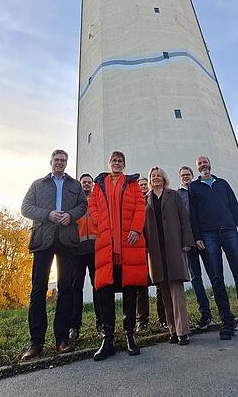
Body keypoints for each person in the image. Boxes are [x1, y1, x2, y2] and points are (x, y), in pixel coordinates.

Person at [188, 155, 238, 340]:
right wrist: (197, 237)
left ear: (210, 164)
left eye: (205, 162)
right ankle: (227, 322)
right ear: (197, 167)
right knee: (217, 278)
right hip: (208, 234)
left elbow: (234, 206)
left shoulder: (223, 183)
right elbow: (193, 215)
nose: (203, 165)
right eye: (200, 163)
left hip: (229, 231)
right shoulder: (194, 187)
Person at [19, 149, 89, 360]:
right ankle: (36, 342)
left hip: (68, 240)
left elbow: (83, 205)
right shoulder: (38, 185)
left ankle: (62, 339)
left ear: (67, 163)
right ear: (50, 162)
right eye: (56, 160)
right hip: (43, 239)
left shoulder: (75, 185)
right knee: (38, 290)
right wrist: (48, 214)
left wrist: (71, 215)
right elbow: (26, 208)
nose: (59, 163)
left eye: (63, 160)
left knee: (66, 289)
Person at [88, 151, 148, 360]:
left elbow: (140, 207)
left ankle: (130, 334)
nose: (116, 163)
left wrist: (136, 229)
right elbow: (92, 206)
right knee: (105, 291)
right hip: (107, 244)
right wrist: (99, 221)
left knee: (130, 290)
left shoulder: (132, 183)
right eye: (114, 160)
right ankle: (108, 339)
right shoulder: (99, 184)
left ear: (124, 164)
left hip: (128, 243)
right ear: (109, 163)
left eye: (120, 161)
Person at [143, 166, 195, 345]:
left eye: (158, 175)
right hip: (155, 250)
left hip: (173, 246)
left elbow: (184, 219)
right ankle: (172, 330)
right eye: (153, 176)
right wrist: (145, 247)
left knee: (176, 290)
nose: (155, 178)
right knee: (164, 292)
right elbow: (142, 225)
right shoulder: (145, 199)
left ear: (164, 178)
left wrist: (187, 241)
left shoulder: (173, 195)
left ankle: (182, 331)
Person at [177, 165, 215, 330]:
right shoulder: (177, 195)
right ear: (180, 178)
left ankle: (224, 312)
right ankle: (205, 315)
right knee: (196, 278)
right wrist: (184, 241)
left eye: (188, 174)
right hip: (189, 243)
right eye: (183, 175)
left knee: (214, 275)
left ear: (192, 175)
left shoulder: (198, 190)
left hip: (205, 238)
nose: (185, 177)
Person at [69, 173, 101, 342]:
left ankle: (100, 324)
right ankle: (74, 326)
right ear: (80, 184)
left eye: (89, 182)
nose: (87, 185)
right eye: (84, 182)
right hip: (77, 250)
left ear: (92, 185)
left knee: (98, 287)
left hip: (95, 249)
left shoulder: (97, 201)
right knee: (76, 289)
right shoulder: (74, 202)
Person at [134, 176, 166, 331]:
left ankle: (164, 318)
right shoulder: (134, 203)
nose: (142, 187)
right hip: (139, 249)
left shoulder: (154, 201)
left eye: (144, 185)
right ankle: (142, 320)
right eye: (139, 185)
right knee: (141, 285)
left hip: (155, 248)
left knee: (160, 283)